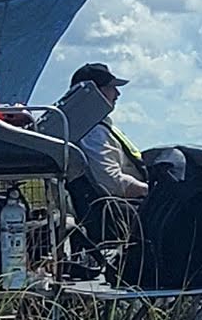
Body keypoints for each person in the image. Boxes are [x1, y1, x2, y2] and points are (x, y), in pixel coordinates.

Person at [48, 61, 148, 259]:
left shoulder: (87, 127)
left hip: (114, 211)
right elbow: (111, 183)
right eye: (111, 88)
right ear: (94, 93)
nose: (117, 94)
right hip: (117, 213)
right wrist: (152, 190)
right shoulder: (92, 132)